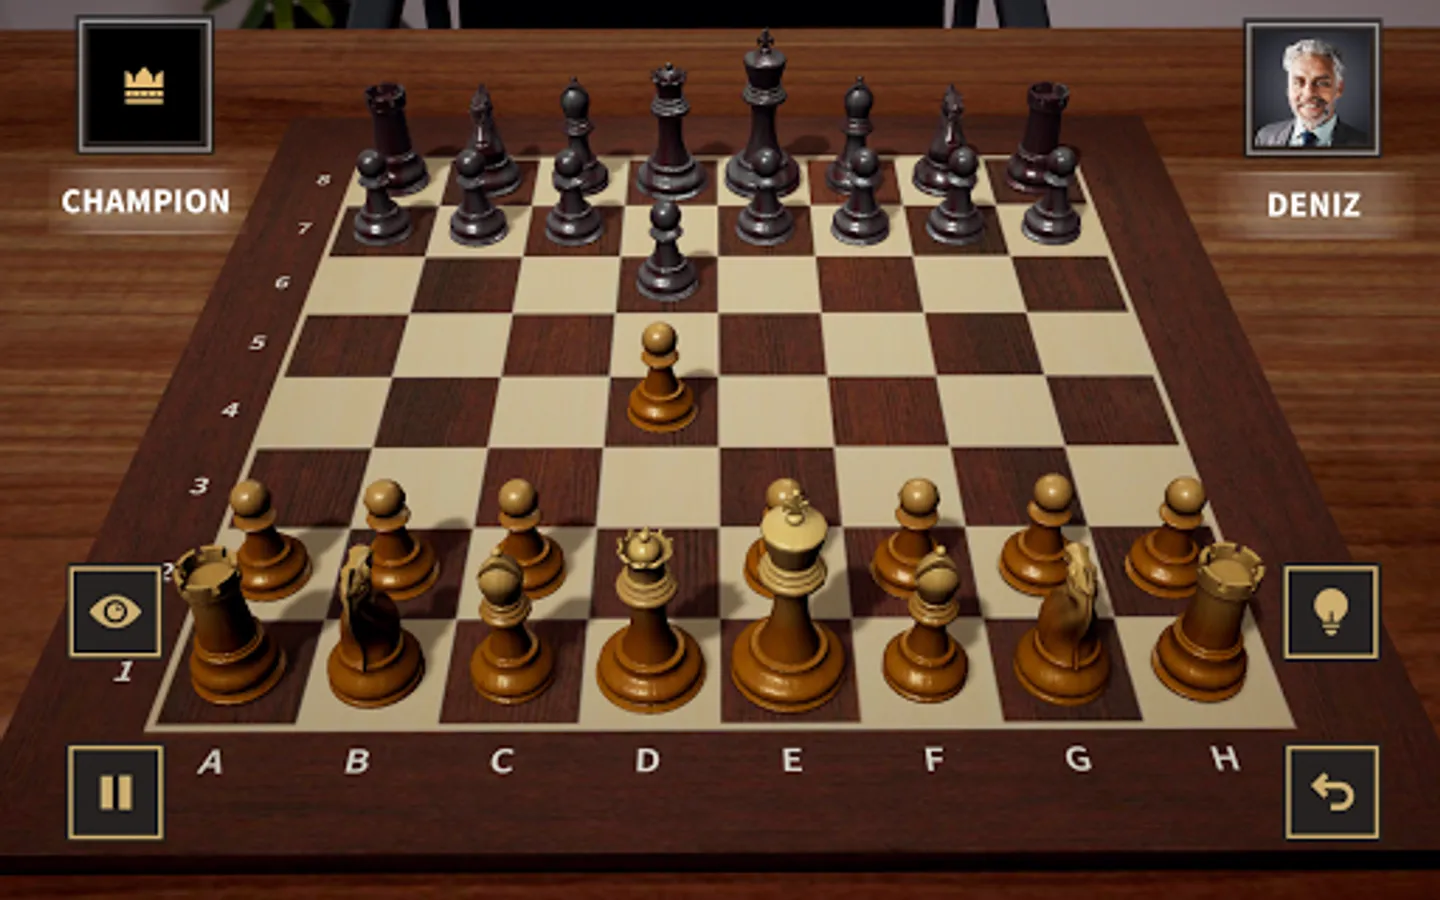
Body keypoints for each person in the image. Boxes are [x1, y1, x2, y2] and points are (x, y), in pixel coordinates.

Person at [1254, 38, 1369, 149]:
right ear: (1288, 88)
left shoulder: (1366, 145)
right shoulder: (1265, 138)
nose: (1309, 94)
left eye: (1322, 83)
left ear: (1339, 88)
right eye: (1298, 82)